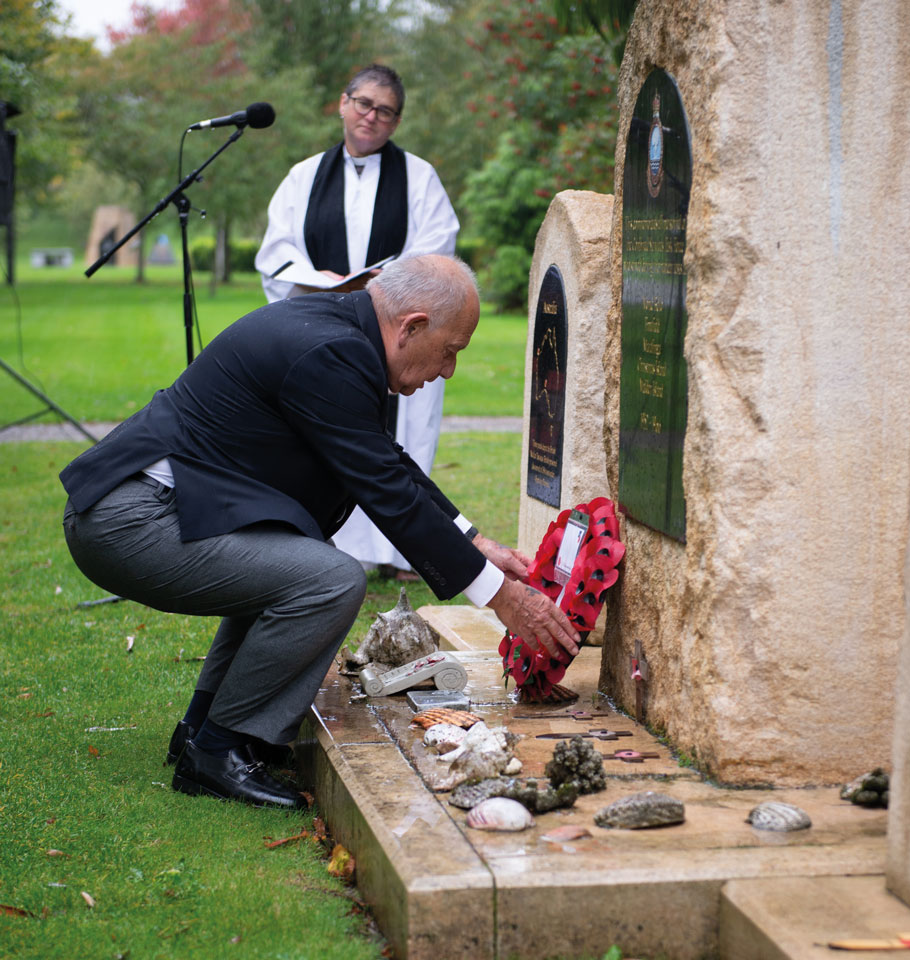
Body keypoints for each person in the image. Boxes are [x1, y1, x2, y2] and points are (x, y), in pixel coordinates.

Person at [60, 255, 579, 810]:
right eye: (450, 351)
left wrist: (472, 542)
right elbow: (384, 487)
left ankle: (202, 729)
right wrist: (502, 598)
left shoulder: (342, 333)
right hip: (131, 518)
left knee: (295, 563)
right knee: (328, 579)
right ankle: (218, 752)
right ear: (412, 327)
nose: (448, 370)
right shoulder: (330, 352)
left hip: (156, 504)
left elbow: (386, 462)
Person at [255, 63, 457, 581]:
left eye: (385, 111)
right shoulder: (303, 176)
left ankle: (402, 550)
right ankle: (329, 543)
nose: (372, 116)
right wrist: (317, 277)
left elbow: (436, 246)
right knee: (328, 423)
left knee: (404, 432)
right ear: (343, 104)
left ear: (395, 122)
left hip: (397, 327)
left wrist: (383, 286)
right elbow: (276, 253)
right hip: (324, 320)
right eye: (364, 104)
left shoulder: (418, 176)